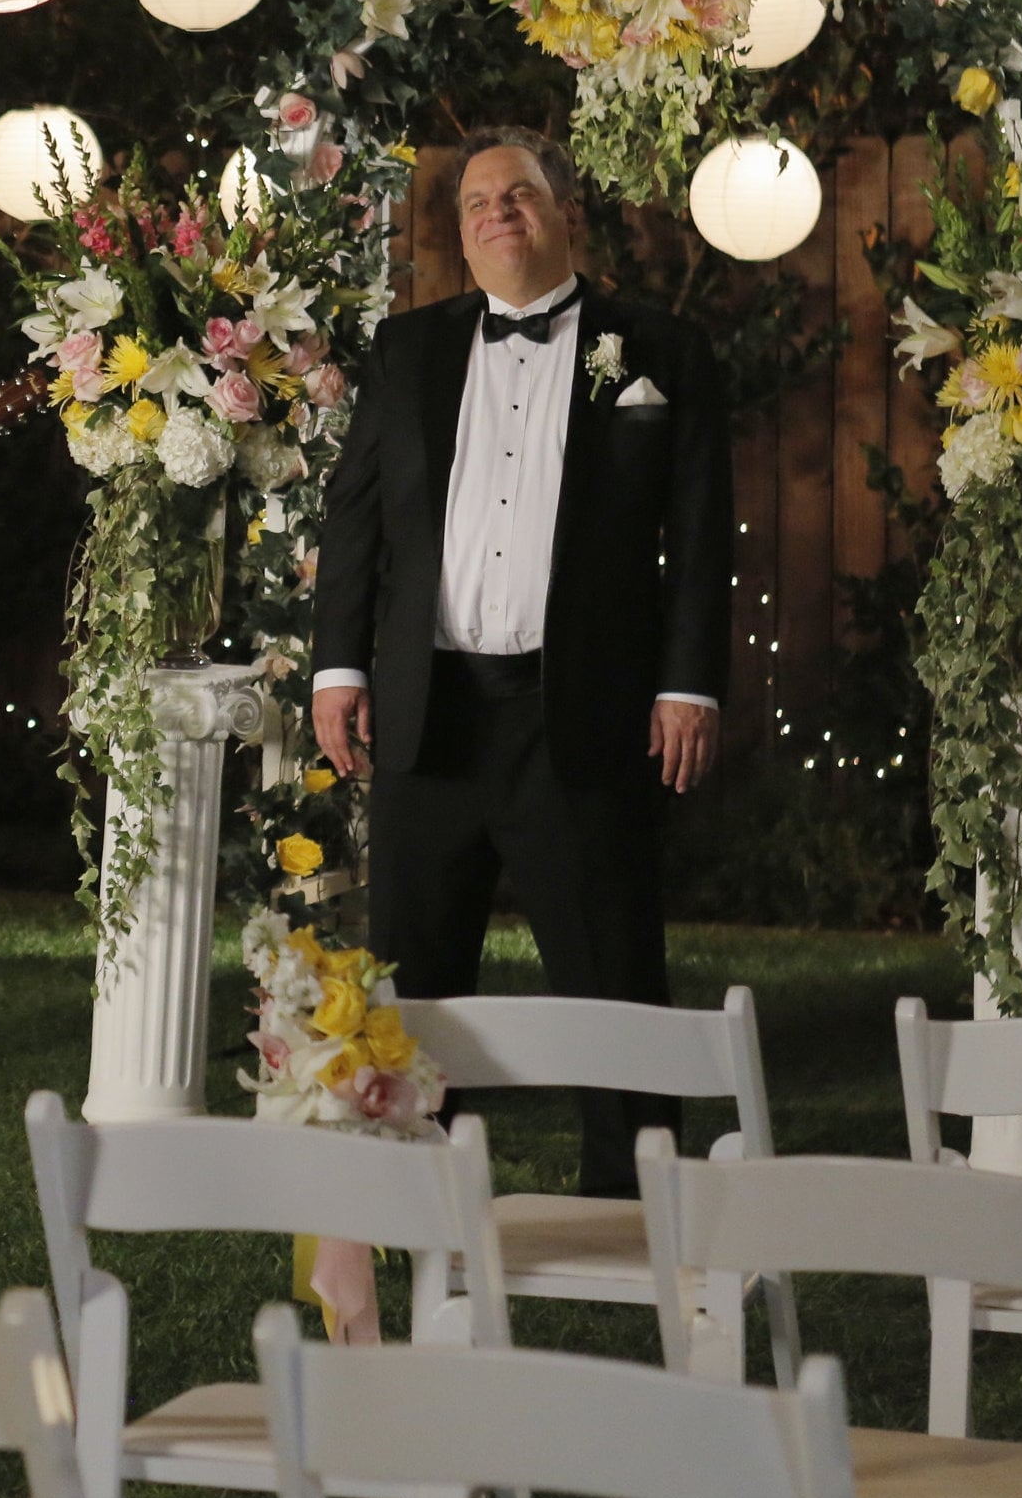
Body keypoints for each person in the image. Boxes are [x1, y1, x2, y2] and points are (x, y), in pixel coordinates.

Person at [307, 126, 733, 1199]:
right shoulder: (406, 351)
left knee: (613, 976)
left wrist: (687, 683)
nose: (499, 211)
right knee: (413, 982)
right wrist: (337, 669)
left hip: (578, 711)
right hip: (431, 712)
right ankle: (414, 1199)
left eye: (521, 194)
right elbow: (355, 519)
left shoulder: (659, 351)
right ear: (461, 236)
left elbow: (700, 533)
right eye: (478, 201)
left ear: (566, 213)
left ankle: (635, 1203)